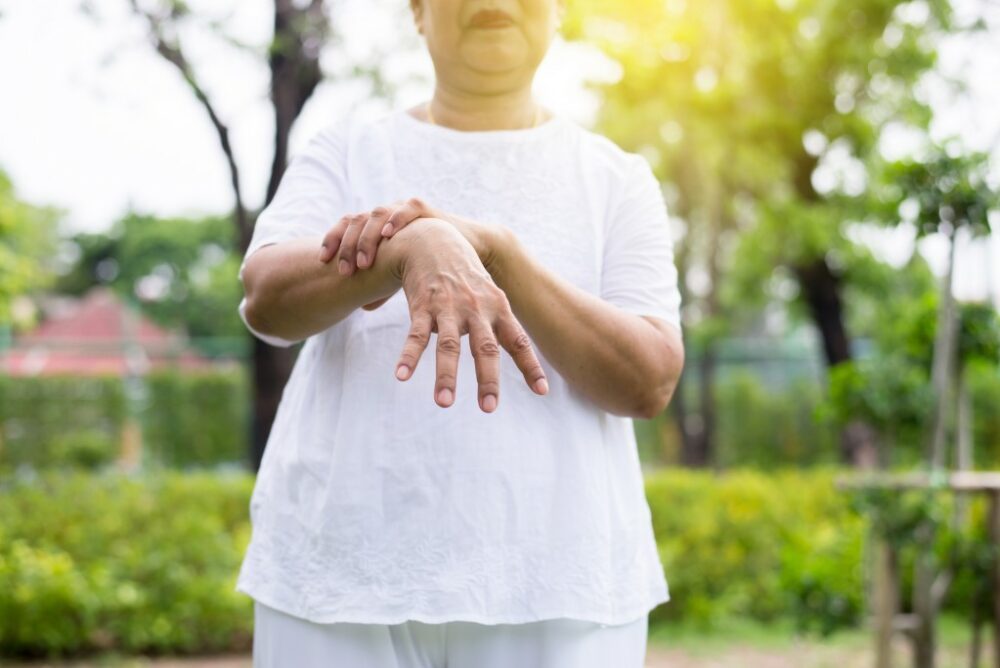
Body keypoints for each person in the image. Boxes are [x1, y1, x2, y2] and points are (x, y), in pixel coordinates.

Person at [236, 0, 685, 665]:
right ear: (417, 12)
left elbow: (649, 379)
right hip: (338, 581)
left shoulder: (617, 179)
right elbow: (266, 298)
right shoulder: (348, 151)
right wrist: (406, 249)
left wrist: (497, 254)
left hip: (559, 586)